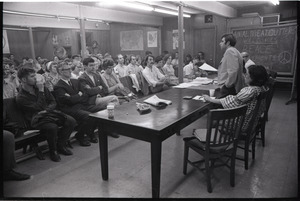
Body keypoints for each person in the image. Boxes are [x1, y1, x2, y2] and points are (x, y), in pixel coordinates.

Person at [16, 66, 76, 162]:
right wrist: (40, 91)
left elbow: (53, 101)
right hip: (36, 119)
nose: (36, 79)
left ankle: (60, 145)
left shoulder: (41, 88)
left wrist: (47, 110)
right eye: (32, 77)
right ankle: (53, 151)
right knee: (52, 127)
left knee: (71, 121)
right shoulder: (21, 97)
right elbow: (37, 108)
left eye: (35, 76)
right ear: (23, 79)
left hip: (49, 114)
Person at [54, 61, 119, 144]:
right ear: (60, 71)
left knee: (102, 110)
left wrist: (75, 96)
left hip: (81, 105)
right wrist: (78, 95)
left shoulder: (75, 81)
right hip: (69, 108)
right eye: (67, 69)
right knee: (87, 116)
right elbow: (68, 101)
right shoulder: (59, 86)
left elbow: (85, 94)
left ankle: (91, 132)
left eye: (70, 68)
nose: (70, 71)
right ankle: (80, 135)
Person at [203, 65, 269, 132]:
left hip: (242, 124)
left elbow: (230, 102)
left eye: (247, 74)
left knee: (214, 115)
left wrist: (210, 99)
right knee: (218, 111)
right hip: (251, 122)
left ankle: (211, 140)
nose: (245, 75)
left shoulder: (249, 91)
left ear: (253, 78)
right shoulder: (262, 88)